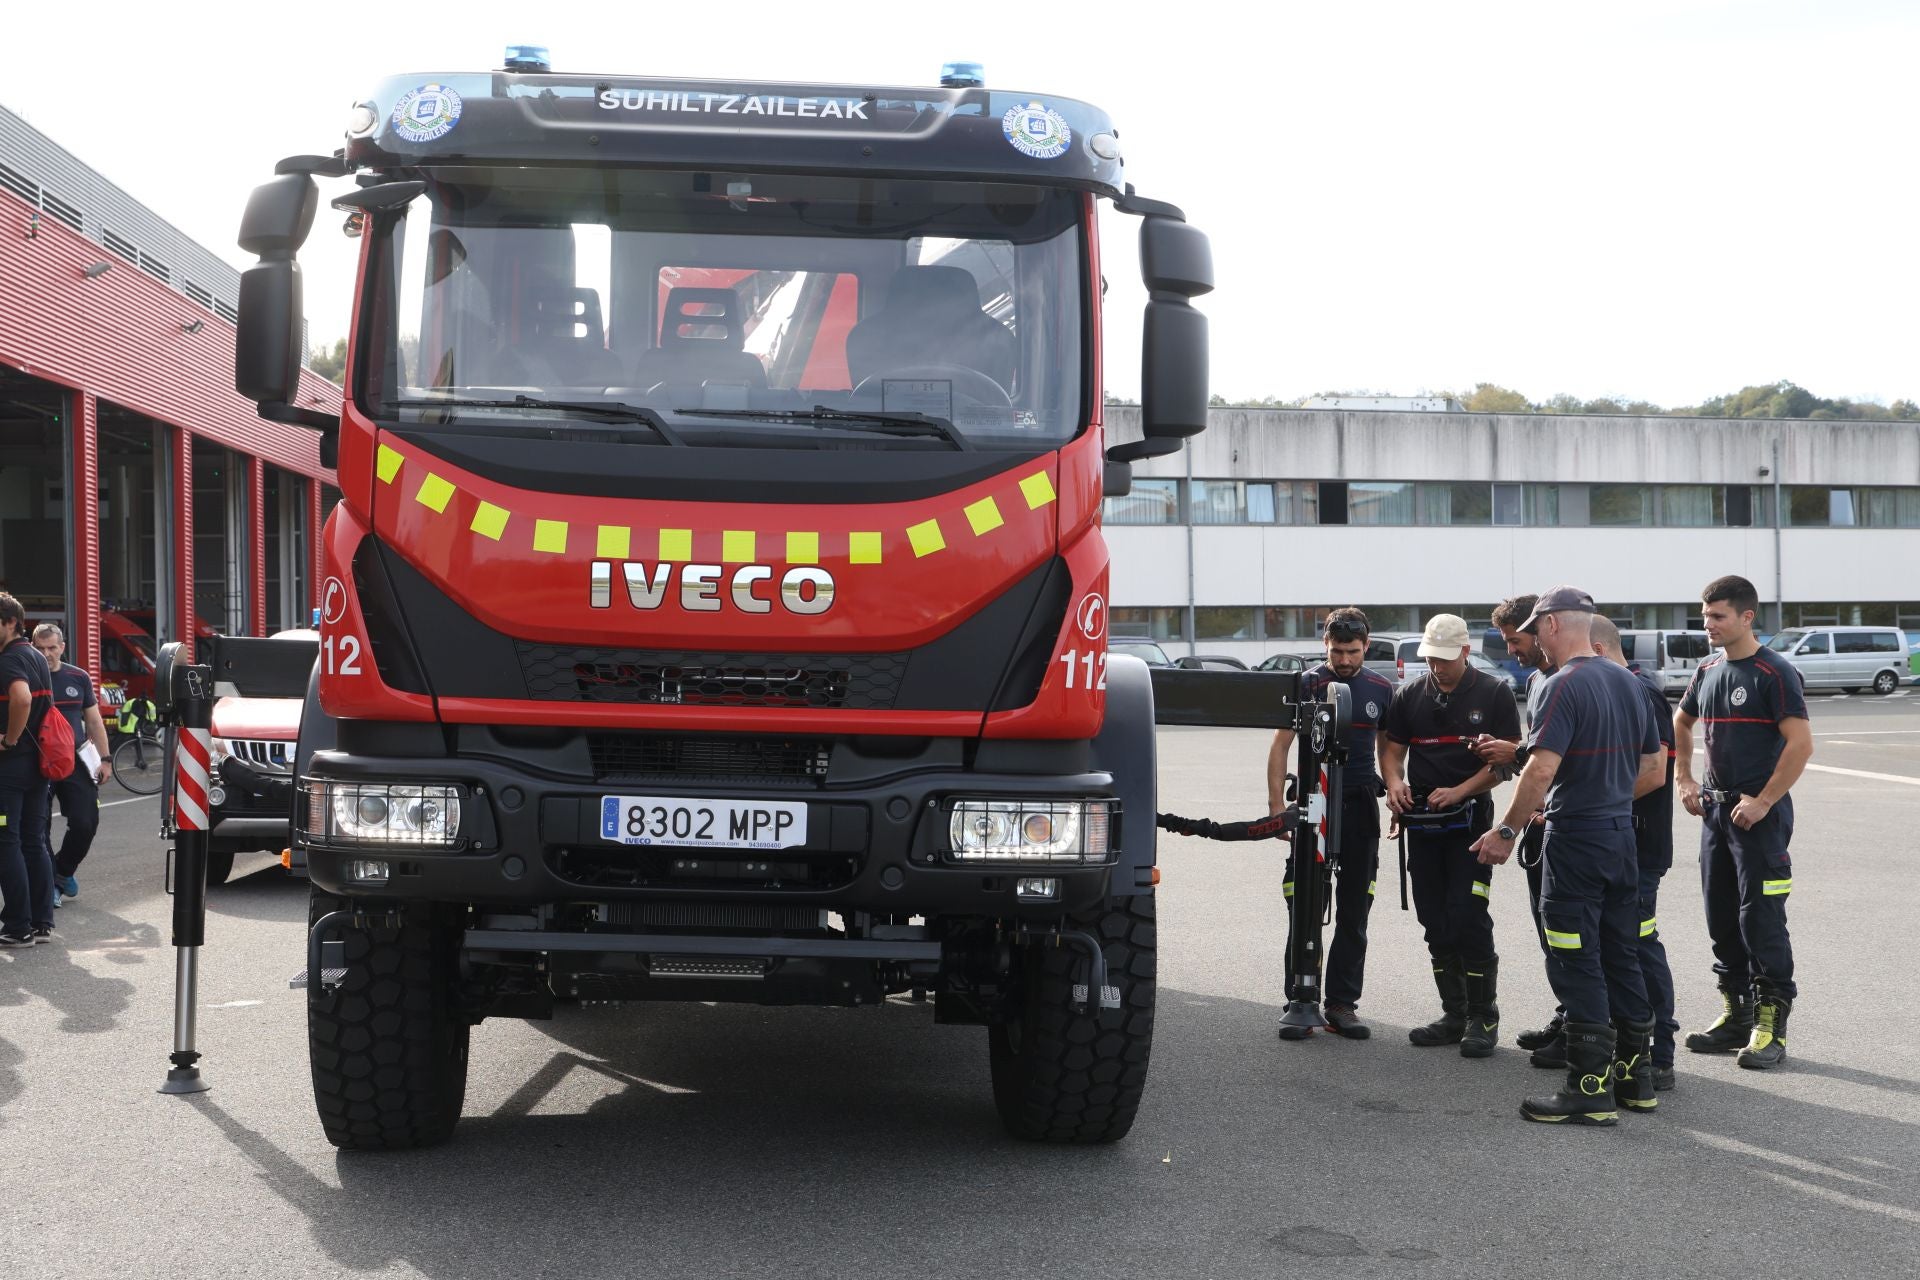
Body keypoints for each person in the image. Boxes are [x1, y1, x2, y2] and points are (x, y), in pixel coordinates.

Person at [1472, 587, 1663, 1125]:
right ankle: (1635, 1080)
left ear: (1553, 625)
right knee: (1620, 954)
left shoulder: (1560, 685)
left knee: (1574, 956)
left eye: (1535, 631)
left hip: (1576, 840)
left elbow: (1539, 769)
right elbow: (1653, 768)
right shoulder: (1631, 684)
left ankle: (1588, 1089)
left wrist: (1504, 833)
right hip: (1621, 836)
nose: (1534, 642)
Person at [1674, 574, 1812, 1070]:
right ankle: (1736, 1014)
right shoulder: (1708, 669)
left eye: (1717, 616)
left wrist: (1765, 800)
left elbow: (1801, 746)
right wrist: (1684, 779)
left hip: (1759, 820)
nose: (1707, 625)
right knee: (1721, 916)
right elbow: (1681, 722)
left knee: (1762, 920)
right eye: (1705, 615)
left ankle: (1770, 1026)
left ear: (1746, 617)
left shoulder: (1775, 673)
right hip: (1715, 814)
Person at [1381, 613, 1521, 1057]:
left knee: (1468, 915)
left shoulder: (1493, 692)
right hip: (1422, 826)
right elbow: (1391, 750)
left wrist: (1459, 790)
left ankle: (1484, 1017)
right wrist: (1394, 783)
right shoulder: (1408, 696)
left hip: (1471, 823)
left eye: (1445, 659)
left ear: (1465, 651)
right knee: (1434, 920)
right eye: (1430, 659)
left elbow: (1507, 765)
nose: (1437, 667)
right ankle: (1453, 1014)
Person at [1266, 607, 1396, 1040]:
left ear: (1367, 645)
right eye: (1337, 651)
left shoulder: (1381, 687)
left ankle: (1342, 1004)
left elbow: (1389, 751)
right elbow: (1280, 745)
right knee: (1303, 902)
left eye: (1353, 651)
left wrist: (1395, 792)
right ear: (1326, 644)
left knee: (1354, 909)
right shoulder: (1305, 684)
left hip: (1360, 802)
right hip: (1312, 803)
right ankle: (1300, 998)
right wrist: (1275, 809)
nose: (1344, 660)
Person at [1471, 594, 1565, 1067]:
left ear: (1542, 629)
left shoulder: (1574, 682)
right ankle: (1569, 1015)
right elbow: (1538, 752)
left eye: (1515, 640)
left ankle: (1593, 1034)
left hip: (1572, 828)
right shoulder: (1537, 680)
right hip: (1540, 826)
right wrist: (1514, 751)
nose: (1511, 650)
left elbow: (1552, 761)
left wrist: (1516, 755)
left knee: (1577, 935)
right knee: (1550, 931)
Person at [1590, 616, 1679, 1090]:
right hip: (1610, 843)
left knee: (1638, 945)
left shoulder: (1640, 693)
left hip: (1639, 848)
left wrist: (1592, 803)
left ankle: (1659, 1052)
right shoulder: (1614, 688)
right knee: (1612, 949)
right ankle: (1625, 1047)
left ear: (1598, 650)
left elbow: (1654, 773)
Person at [32, 624, 111, 906]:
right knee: (37, 828)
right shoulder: (26, 677)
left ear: (62, 647)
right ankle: (49, 883)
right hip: (36, 762)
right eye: (40, 649)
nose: (46, 654)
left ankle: (63, 873)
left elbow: (93, 721)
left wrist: (105, 759)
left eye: (52, 648)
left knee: (85, 822)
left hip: (76, 761)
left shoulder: (78, 677)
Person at [0, 593, 55, 946]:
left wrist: (8, 740)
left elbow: (20, 699)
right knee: (34, 842)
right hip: (39, 763)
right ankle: (40, 922)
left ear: (9, 622)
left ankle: (17, 927)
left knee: (6, 841)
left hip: (11, 765)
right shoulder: (36, 656)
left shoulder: (8, 660)